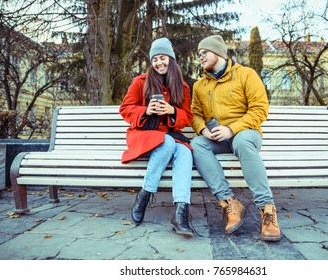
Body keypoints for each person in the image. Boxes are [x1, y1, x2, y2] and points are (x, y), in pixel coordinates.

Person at [190, 35, 281, 241]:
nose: (201, 58)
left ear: (218, 52)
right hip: (217, 138)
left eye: (204, 53)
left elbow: (259, 109)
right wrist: (203, 129)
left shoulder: (246, 74)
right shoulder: (200, 86)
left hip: (246, 133)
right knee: (196, 144)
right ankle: (229, 202)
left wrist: (231, 129)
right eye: (199, 55)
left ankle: (267, 209)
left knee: (241, 141)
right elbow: (195, 114)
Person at [119, 37, 194, 238]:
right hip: (144, 135)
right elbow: (125, 109)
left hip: (169, 135)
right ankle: (144, 195)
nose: (159, 62)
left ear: (171, 59)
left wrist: (172, 111)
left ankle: (181, 213)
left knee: (186, 151)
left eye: (163, 58)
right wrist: (146, 111)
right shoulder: (140, 82)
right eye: (155, 59)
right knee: (167, 141)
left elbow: (187, 116)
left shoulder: (183, 87)